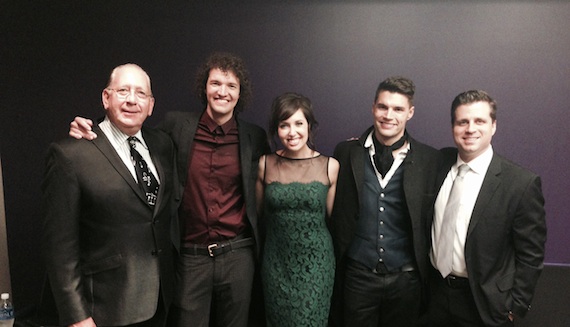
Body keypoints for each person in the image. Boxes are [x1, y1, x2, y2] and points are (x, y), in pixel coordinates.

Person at [70, 52, 270, 327]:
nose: (222, 91)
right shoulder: (177, 126)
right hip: (190, 256)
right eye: (215, 83)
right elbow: (131, 133)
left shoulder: (254, 137)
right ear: (205, 88)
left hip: (238, 255)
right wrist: (91, 129)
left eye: (231, 85)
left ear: (240, 93)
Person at [41, 64, 176, 327]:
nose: (132, 100)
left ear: (151, 105)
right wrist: (76, 315)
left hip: (161, 301)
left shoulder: (163, 145)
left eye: (141, 94)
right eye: (123, 90)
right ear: (106, 97)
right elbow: (59, 248)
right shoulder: (71, 154)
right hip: (106, 309)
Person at [329, 76, 441, 327]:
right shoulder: (346, 152)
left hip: (407, 280)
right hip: (358, 276)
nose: (389, 115)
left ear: (410, 112)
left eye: (398, 109)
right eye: (383, 107)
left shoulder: (429, 160)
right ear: (373, 108)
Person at [428, 90, 546, 327]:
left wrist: (514, 307)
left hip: (484, 305)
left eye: (479, 121)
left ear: (493, 126)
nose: (470, 129)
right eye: (463, 122)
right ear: (453, 127)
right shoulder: (437, 163)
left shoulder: (520, 183)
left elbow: (531, 254)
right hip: (433, 297)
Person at [255, 93, 339, 327]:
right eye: (284, 125)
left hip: (317, 265)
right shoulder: (264, 165)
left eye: (299, 123)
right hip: (276, 264)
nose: (292, 132)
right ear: (276, 129)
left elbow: (334, 220)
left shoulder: (330, 166)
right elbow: (257, 216)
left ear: (309, 126)